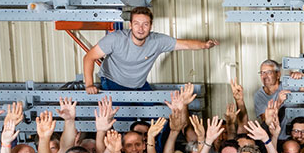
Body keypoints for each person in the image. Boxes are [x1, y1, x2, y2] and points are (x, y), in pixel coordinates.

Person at [83, 7, 217, 93]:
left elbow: (185, 44)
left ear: (151, 26)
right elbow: (89, 57)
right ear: (130, 25)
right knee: (121, 118)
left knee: (158, 115)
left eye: (145, 24)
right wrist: (89, 85)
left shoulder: (157, 41)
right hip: (113, 81)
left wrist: (204, 45)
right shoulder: (115, 39)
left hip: (138, 85)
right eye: (136, 24)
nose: (140, 29)